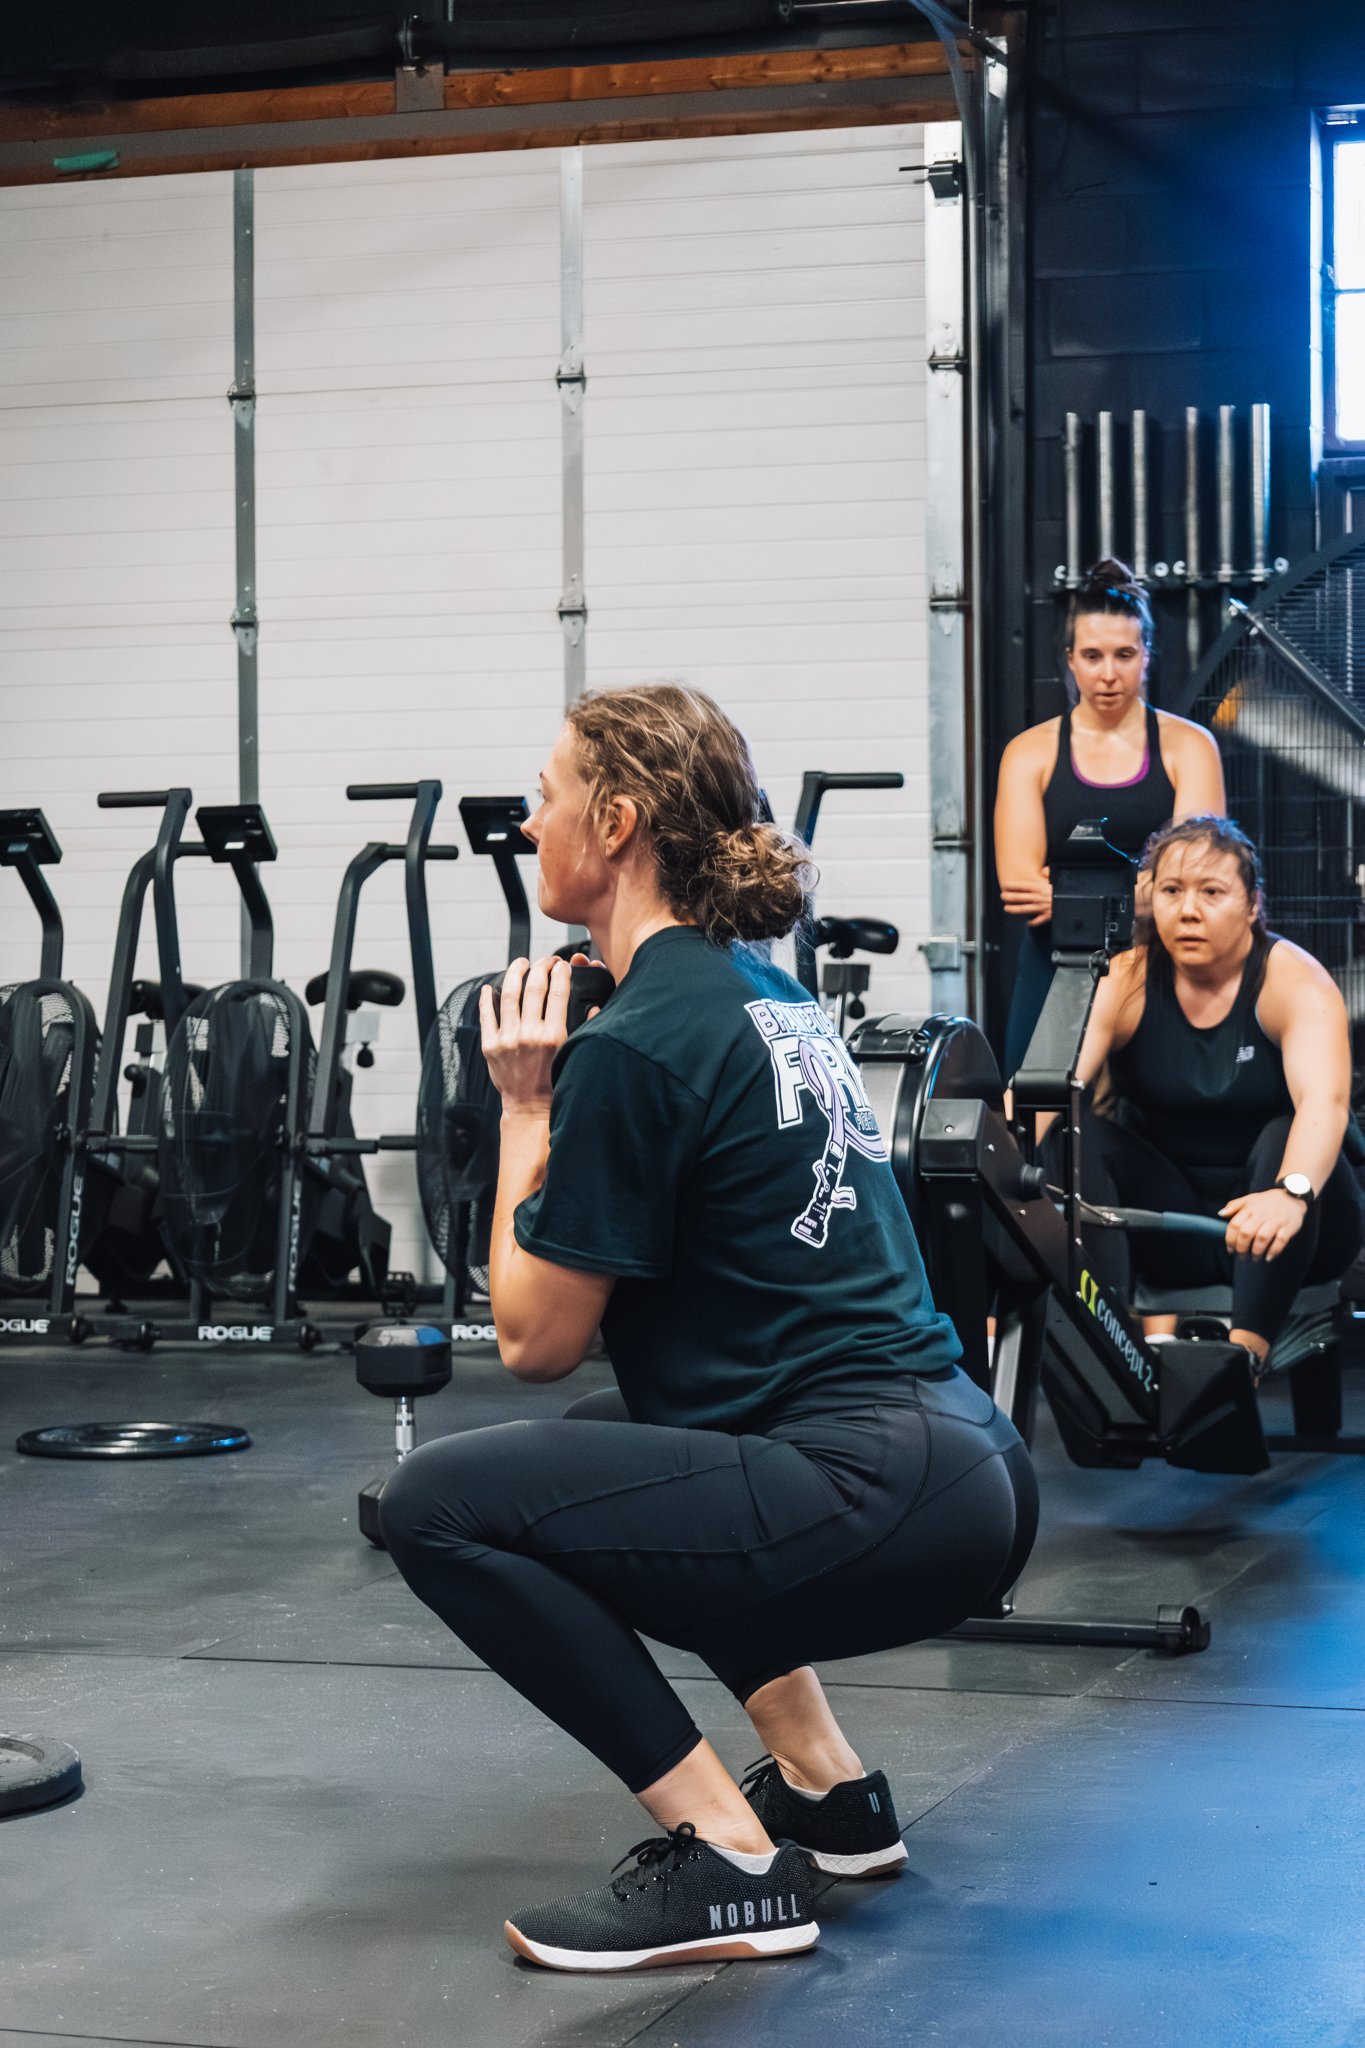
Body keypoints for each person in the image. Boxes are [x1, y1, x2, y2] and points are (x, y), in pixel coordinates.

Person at [379, 683, 1037, 1974]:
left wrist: (525, 1109)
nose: (529, 819)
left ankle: (731, 1861)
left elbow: (532, 1335)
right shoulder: (761, 993)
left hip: (868, 1486)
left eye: (551, 794)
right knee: (617, 1433)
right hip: (971, 1465)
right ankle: (830, 1796)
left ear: (616, 821)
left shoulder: (636, 1040)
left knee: (435, 1503)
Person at [1073, 814, 1363, 1368]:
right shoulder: (1123, 979)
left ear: (1252, 905)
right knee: (1081, 1135)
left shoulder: (1294, 980)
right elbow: (1054, 1091)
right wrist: (996, 1174)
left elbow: (1324, 1104)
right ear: (1149, 898)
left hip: (1301, 1225)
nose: (1188, 911)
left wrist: (1292, 1192)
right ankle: (1105, 1360)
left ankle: (1241, 1365)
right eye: (1172, 891)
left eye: (1212, 892)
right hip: (1180, 1228)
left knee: (1283, 1133)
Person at [994, 558, 1225, 1080]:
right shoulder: (1029, 753)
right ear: (1070, 660)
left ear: (1146, 657)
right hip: (1055, 964)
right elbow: (1021, 888)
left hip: (1162, 961)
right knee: (1036, 1115)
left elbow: (1195, 880)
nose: (1108, 673)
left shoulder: (1189, 747)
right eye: (1093, 656)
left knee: (1161, 1117)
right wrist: (1146, 891)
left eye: (1124, 654)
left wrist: (1071, 897)